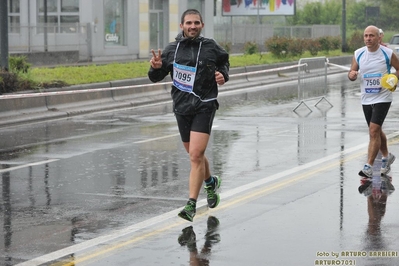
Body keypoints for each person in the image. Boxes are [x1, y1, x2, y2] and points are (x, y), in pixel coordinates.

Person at [148, 9, 230, 222]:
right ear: (182, 26)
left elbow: (224, 61)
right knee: (196, 155)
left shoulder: (211, 47)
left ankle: (191, 204)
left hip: (205, 104)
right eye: (188, 23)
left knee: (195, 154)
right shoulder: (172, 50)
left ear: (202, 25)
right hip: (182, 108)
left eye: (196, 23)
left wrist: (223, 75)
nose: (192, 26)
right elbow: (156, 77)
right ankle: (210, 183)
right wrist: (156, 68)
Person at [348, 25, 399, 180]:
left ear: (379, 37)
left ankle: (369, 166)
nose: (368, 38)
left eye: (371, 35)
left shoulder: (388, 53)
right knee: (376, 131)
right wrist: (352, 74)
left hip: (383, 96)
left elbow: (398, 69)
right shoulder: (358, 54)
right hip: (366, 97)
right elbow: (351, 74)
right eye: (366, 36)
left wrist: (394, 80)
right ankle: (386, 156)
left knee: (373, 130)